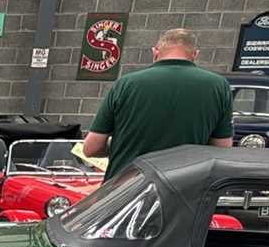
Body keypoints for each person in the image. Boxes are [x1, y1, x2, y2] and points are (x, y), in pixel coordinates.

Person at [81, 28, 233, 179]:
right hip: (184, 189)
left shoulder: (126, 84)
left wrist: (119, 147)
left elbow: (91, 148)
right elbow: (222, 149)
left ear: (155, 52)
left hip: (126, 190)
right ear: (195, 54)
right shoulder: (218, 86)